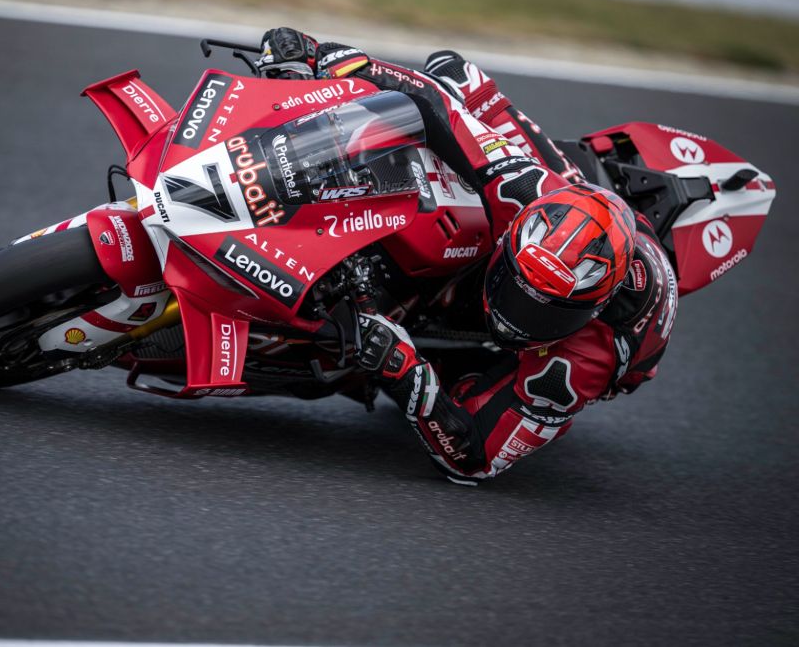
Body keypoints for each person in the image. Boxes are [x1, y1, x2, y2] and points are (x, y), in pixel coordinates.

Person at [256, 28, 679, 484]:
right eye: (517, 289)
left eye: (543, 311)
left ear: (589, 311)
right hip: (576, 197)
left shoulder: (584, 362)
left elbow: (475, 458)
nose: (514, 316)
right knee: (455, 73)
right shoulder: (524, 189)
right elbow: (439, 106)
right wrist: (333, 60)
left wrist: (407, 373)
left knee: (456, 391)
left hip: (593, 345)